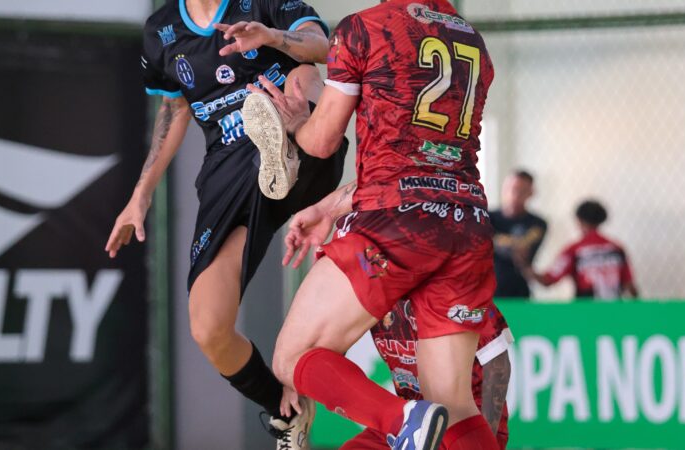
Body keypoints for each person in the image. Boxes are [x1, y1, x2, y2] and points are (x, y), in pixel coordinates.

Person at [243, 0, 501, 448]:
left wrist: (297, 125)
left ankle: (403, 421)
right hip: (467, 222)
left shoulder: (363, 28)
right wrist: (331, 207)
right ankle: (414, 421)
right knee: (455, 406)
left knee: (293, 356)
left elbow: (323, 141)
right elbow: (428, 162)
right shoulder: (472, 39)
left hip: (392, 222)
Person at [104, 1, 347, 447]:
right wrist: (141, 193)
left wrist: (272, 37)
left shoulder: (261, 4)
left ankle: (289, 147)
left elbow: (325, 47)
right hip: (230, 168)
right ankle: (286, 413)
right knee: (208, 327)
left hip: (300, 128)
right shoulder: (161, 31)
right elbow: (175, 110)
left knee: (302, 75)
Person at [342, 299, 513, 450]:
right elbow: (330, 343)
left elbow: (498, 365)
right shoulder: (375, 298)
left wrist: (482, 436)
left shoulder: (460, 293)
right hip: (412, 418)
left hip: (463, 418)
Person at [525, 200, 638, 300]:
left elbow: (548, 280)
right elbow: (629, 286)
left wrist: (524, 265)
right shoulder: (616, 248)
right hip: (614, 312)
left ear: (578, 220)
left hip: (585, 312)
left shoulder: (574, 250)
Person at [490, 170, 548, 299]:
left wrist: (499, 241)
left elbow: (525, 250)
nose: (515, 194)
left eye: (521, 191)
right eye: (511, 189)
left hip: (519, 291)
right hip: (486, 291)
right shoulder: (486, 218)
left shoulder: (537, 223)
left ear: (531, 192)